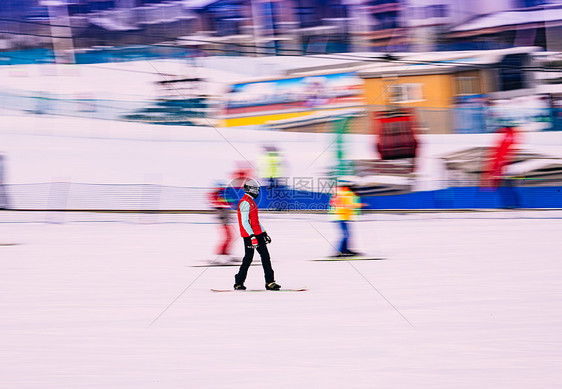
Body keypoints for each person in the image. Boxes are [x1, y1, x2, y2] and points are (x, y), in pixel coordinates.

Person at [234, 179, 281, 291]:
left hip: (257, 234)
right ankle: (238, 282)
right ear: (251, 189)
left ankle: (270, 282)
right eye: (256, 190)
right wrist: (252, 236)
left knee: (265, 257)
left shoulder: (251, 201)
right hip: (250, 236)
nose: (257, 192)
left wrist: (263, 232)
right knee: (248, 258)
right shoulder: (245, 202)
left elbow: (255, 220)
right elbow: (245, 222)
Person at [329, 181, 363, 257]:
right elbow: (348, 205)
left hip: (340, 217)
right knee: (346, 235)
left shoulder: (340, 193)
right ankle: (341, 251)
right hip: (341, 217)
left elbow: (334, 204)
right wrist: (359, 205)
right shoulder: (346, 194)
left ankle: (345, 250)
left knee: (347, 234)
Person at [207, 182, 234, 264]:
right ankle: (221, 256)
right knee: (228, 237)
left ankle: (225, 254)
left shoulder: (219, 195)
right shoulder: (215, 196)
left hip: (225, 219)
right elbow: (226, 203)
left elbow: (229, 202)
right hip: (223, 220)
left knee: (229, 237)